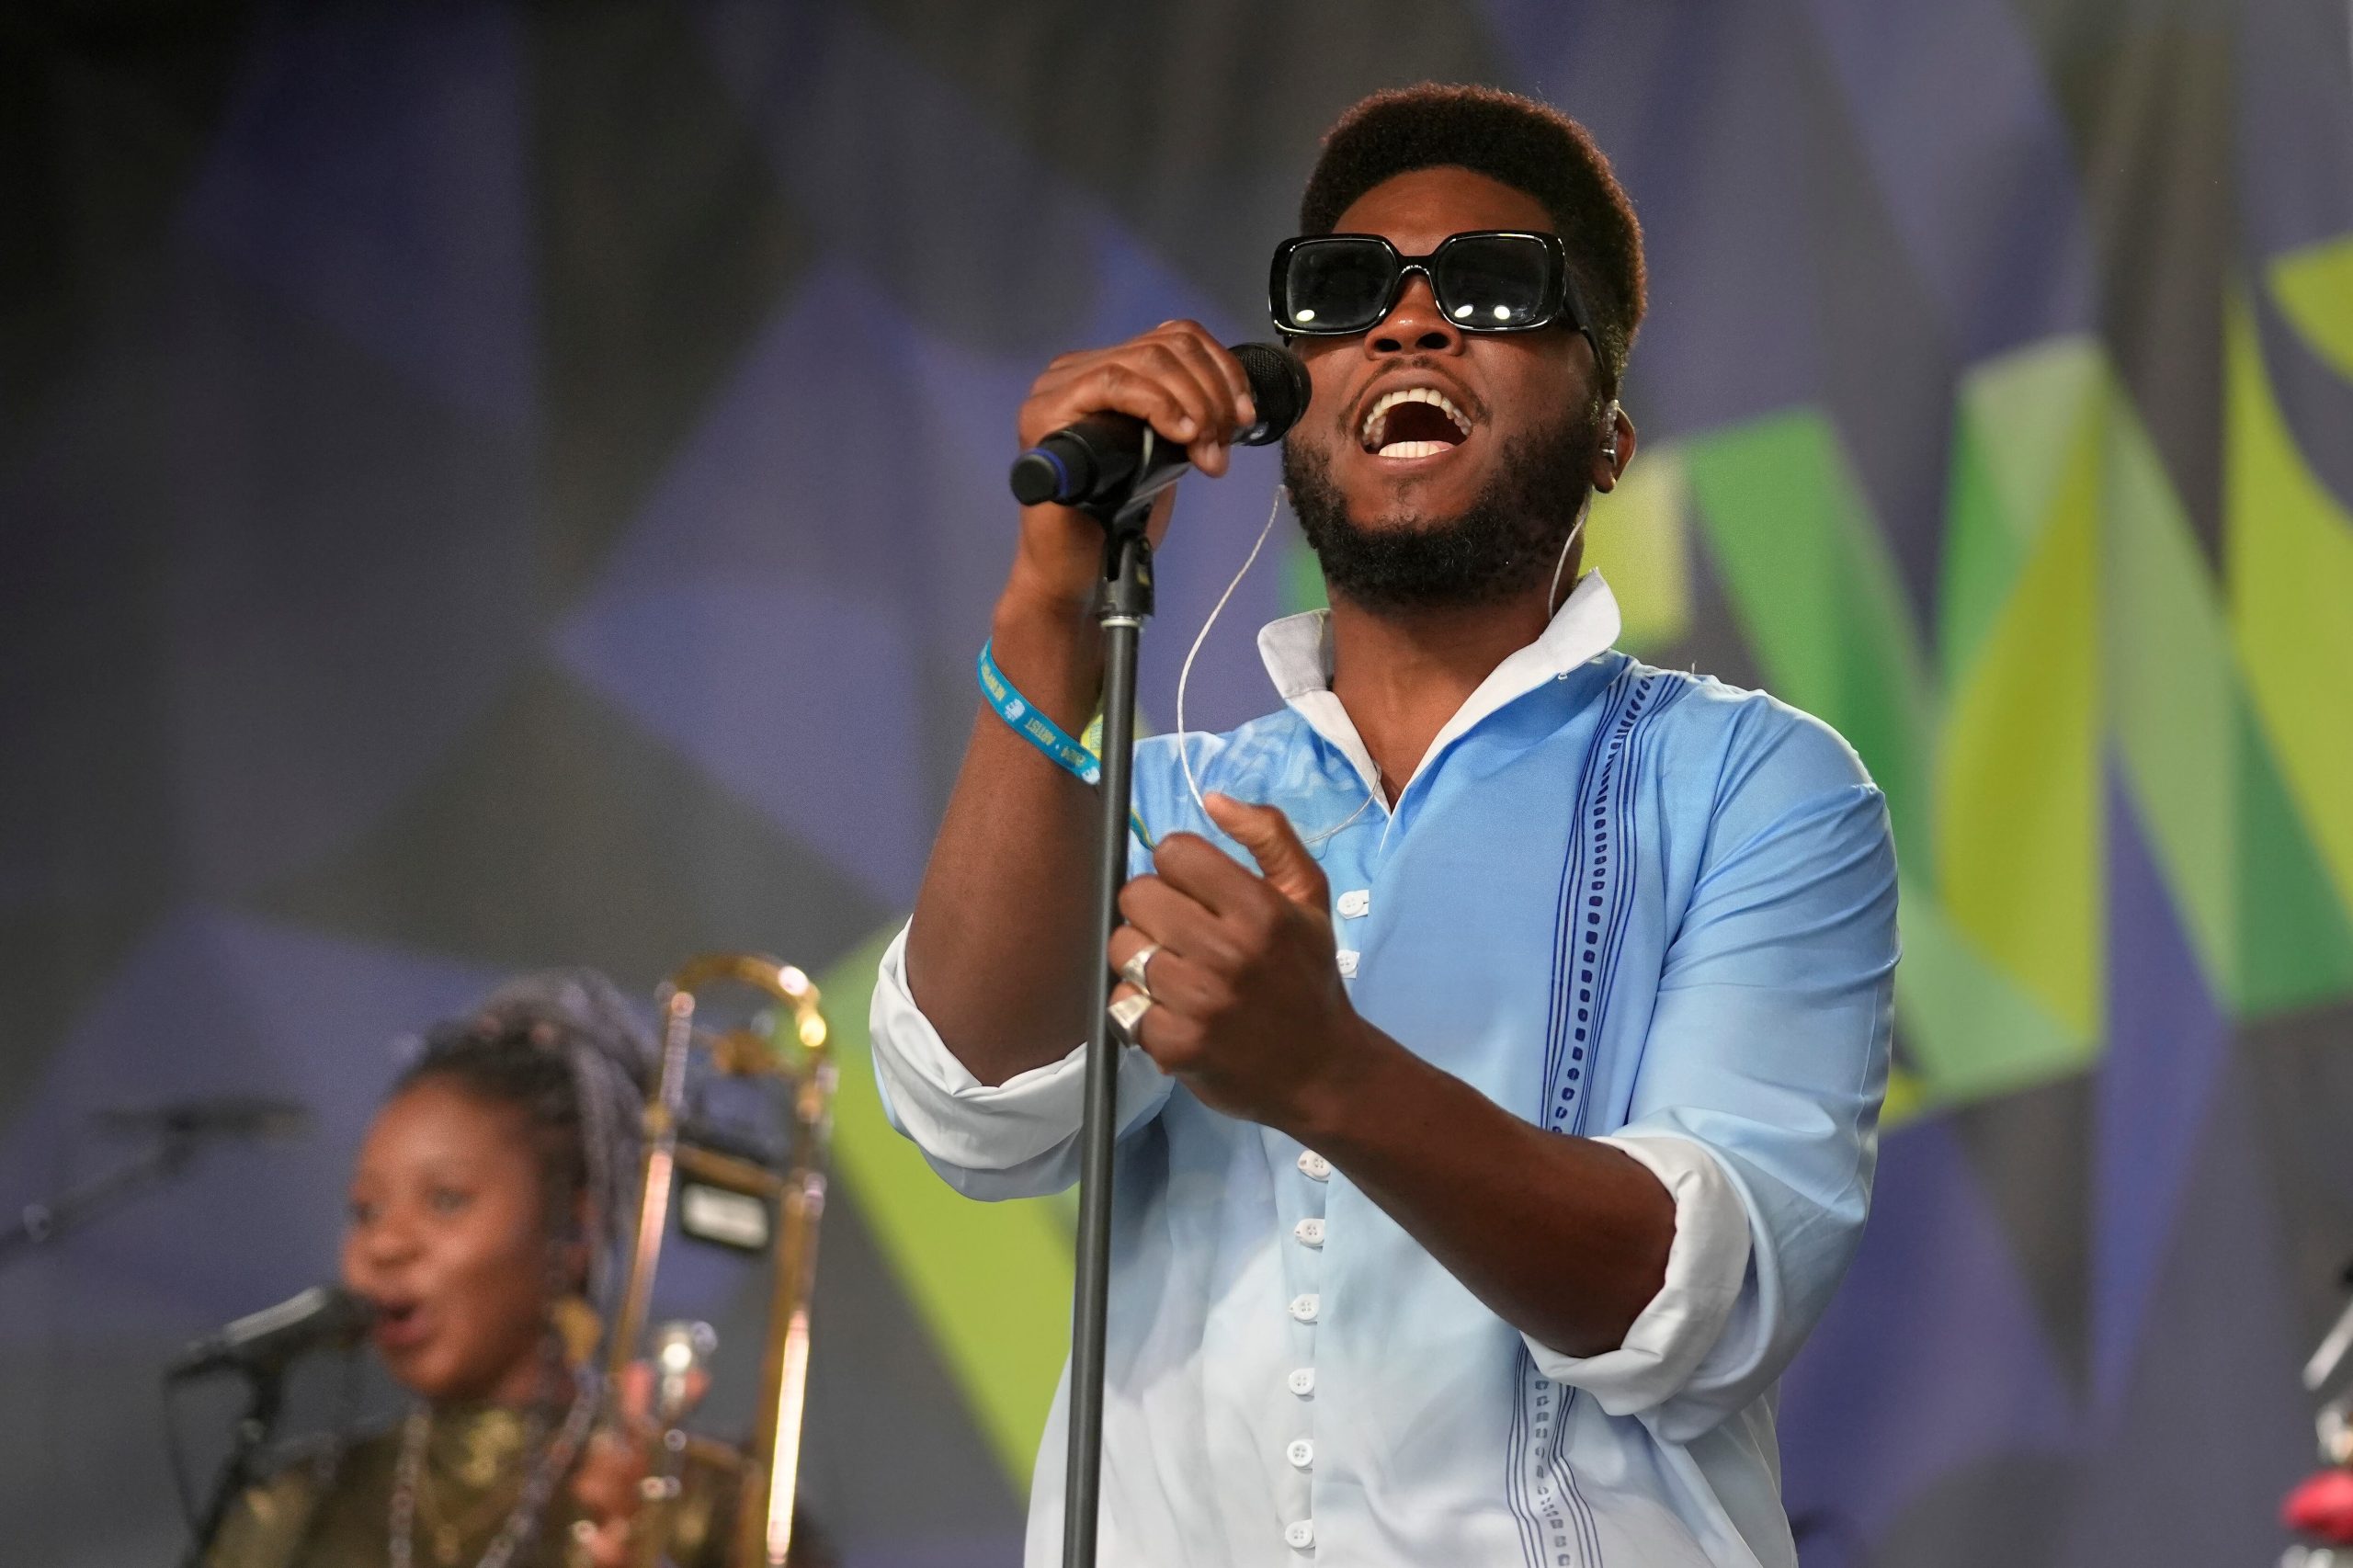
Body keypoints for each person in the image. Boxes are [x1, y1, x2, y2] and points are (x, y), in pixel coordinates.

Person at [870, 83, 1899, 1567]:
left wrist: (1329, 1072)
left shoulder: (1759, 786)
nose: (1411, 323)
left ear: (1610, 437)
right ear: (1294, 403)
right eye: (1348, 290)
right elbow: (972, 1106)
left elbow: (1700, 1304)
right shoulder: (1161, 796)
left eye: (1493, 286)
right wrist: (1049, 611)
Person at [205, 971, 832, 1568]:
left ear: (574, 1227)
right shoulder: (292, 1510)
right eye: (365, 1210)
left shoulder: (705, 1507)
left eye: (446, 1201)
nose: (385, 1245)